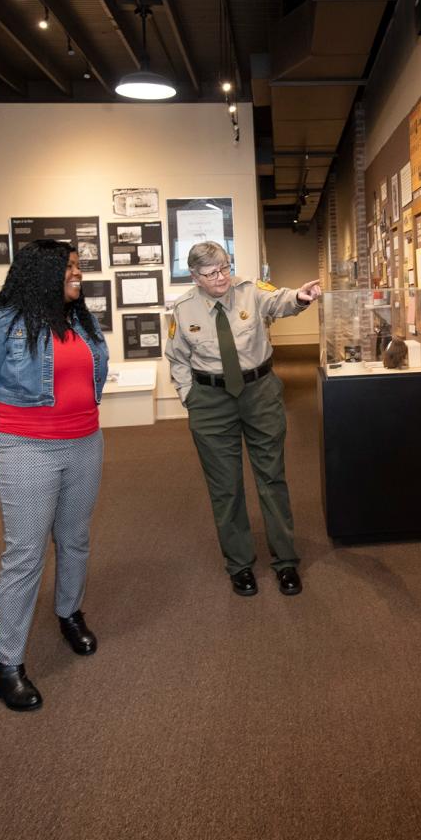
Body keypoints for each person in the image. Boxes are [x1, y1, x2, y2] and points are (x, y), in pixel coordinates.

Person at [0, 239, 109, 712]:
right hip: (27, 450)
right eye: (69, 268)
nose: (77, 275)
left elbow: (95, 376)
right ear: (41, 273)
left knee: (75, 538)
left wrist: (79, 416)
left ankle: (69, 613)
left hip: (85, 442)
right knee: (24, 554)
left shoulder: (82, 319)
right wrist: (14, 427)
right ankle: (7, 665)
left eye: (78, 266)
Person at [165, 241, 321, 597]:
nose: (220, 277)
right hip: (210, 401)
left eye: (224, 268)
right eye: (211, 273)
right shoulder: (183, 309)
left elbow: (280, 300)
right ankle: (240, 565)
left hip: (259, 393)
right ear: (195, 277)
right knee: (226, 487)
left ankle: (285, 562)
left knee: (272, 477)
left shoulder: (250, 291)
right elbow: (176, 357)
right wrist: (189, 395)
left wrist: (300, 297)